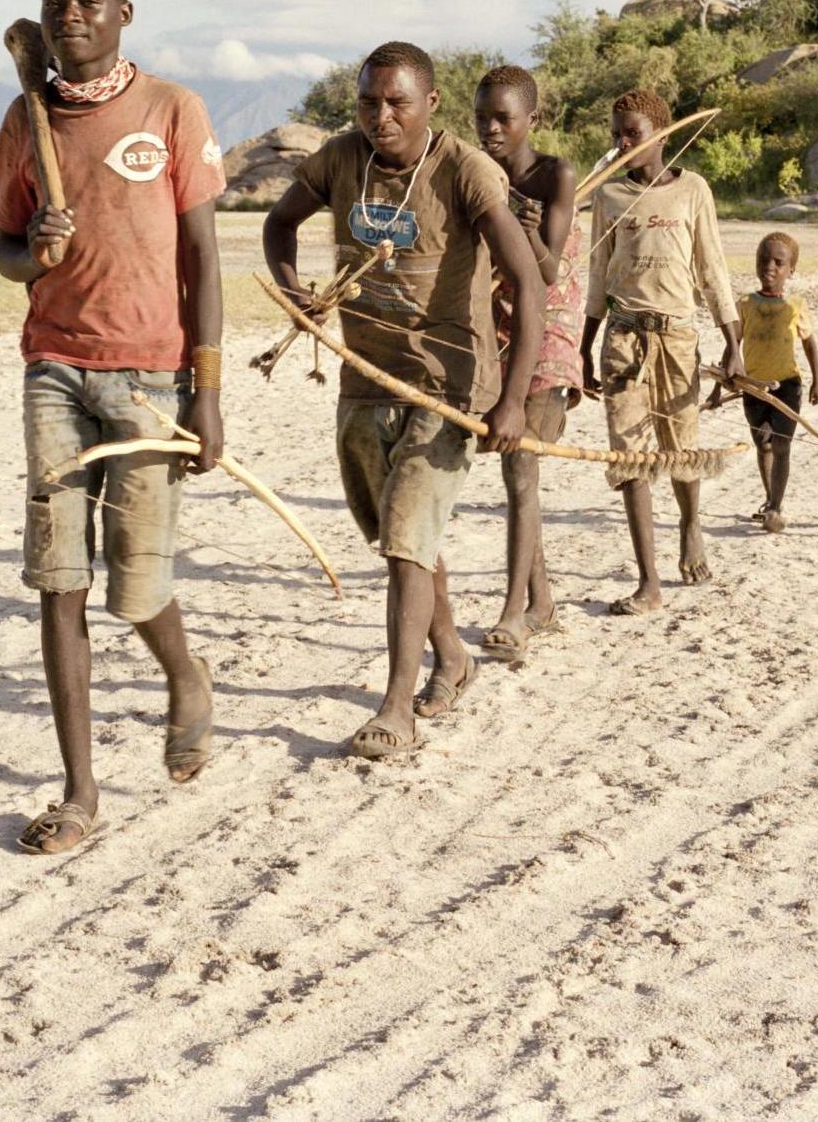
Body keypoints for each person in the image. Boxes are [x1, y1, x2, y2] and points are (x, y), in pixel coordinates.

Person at [0, 0, 229, 855]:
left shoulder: (171, 109)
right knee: (59, 582)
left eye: (89, 0)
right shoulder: (26, 117)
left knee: (136, 587)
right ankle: (80, 791)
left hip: (153, 374)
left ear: (125, 13)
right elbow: (6, 254)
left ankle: (186, 675)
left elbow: (203, 256)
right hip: (53, 366)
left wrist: (206, 389)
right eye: (56, 1)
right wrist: (35, 250)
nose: (70, 14)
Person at [262, 41, 542, 759]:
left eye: (396, 103)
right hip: (364, 375)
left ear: (430, 105)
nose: (380, 117)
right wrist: (300, 297)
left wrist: (510, 401)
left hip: (447, 385)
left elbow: (529, 284)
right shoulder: (338, 159)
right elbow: (277, 224)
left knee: (406, 541)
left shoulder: (465, 170)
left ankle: (395, 707)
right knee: (397, 538)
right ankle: (450, 655)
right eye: (367, 101)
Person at [579, 89, 739, 612]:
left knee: (681, 445)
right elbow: (598, 273)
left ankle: (691, 524)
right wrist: (584, 345)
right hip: (623, 337)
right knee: (630, 456)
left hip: (677, 335)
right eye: (616, 133)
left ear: (663, 135)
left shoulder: (692, 190)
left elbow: (712, 266)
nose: (622, 142)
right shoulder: (608, 196)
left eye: (633, 133)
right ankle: (648, 582)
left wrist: (733, 340)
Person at [471, 64, 582, 662]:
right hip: (494, 338)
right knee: (518, 473)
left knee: (520, 473)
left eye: (502, 119)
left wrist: (532, 232)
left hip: (546, 339)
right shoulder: (475, 173)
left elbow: (545, 271)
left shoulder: (554, 174)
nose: (489, 129)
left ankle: (514, 612)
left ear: (531, 121)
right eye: (481, 117)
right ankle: (540, 603)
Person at [719, 230, 818, 534]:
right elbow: (732, 346)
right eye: (764, 260)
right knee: (762, 444)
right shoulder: (745, 304)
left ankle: (776, 506)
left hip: (787, 385)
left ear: (792, 270)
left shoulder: (796, 306)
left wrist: (817, 380)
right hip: (752, 386)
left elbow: (809, 343)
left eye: (779, 262)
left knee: (782, 445)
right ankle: (769, 498)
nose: (770, 267)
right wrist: (718, 386)